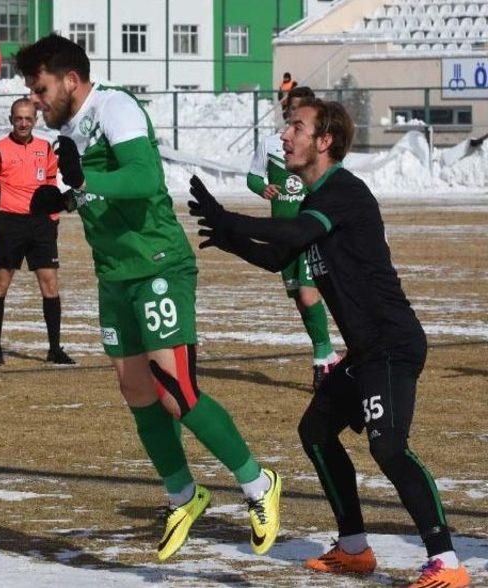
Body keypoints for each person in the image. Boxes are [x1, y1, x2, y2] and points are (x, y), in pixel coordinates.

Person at [14, 34, 281, 561]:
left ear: (70, 79)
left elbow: (143, 177)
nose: (35, 100)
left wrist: (81, 177)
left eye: (40, 88)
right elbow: (97, 189)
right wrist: (66, 197)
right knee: (136, 391)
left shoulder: (114, 106)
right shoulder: (69, 128)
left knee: (175, 388)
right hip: (114, 274)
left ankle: (258, 483)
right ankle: (184, 494)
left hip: (159, 264)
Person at [186, 98, 470, 587]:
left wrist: (231, 217)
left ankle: (447, 562)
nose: (285, 136)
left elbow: (293, 230)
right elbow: (281, 256)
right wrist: (228, 236)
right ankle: (355, 548)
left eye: (296, 127)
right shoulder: (317, 202)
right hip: (366, 350)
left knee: (389, 449)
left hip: (391, 345)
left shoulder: (344, 192)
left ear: (324, 141)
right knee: (316, 432)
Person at [247, 85, 340, 391]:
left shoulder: (317, 147)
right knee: (300, 300)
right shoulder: (272, 144)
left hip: (309, 233)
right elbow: (252, 176)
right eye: (290, 112)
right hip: (283, 236)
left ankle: (322, 360)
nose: (292, 118)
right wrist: (263, 188)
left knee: (307, 294)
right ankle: (329, 354)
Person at [0, 98, 75, 367]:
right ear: (11, 119)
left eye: (28, 119)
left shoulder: (45, 148)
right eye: (18, 118)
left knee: (50, 284)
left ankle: (54, 349)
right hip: (10, 225)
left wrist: (53, 216)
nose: (23, 123)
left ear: (35, 120)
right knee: (0, 284)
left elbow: (51, 182)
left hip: (41, 225)